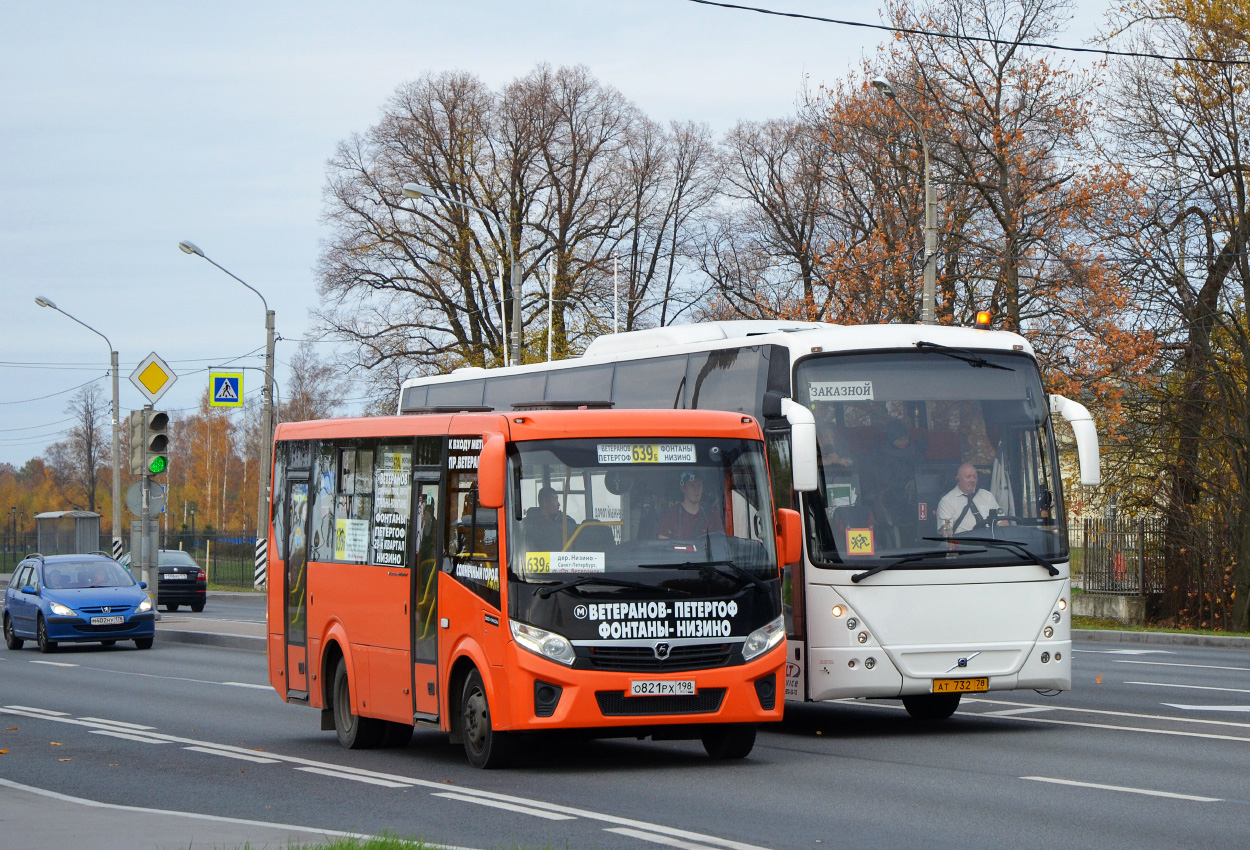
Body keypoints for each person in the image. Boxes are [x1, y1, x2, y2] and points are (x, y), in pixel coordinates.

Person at [937, 463, 1006, 535]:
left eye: (975, 477)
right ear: (958, 479)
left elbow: (1003, 522)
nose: (972, 480)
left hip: (989, 542)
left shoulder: (987, 495)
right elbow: (946, 533)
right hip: (965, 544)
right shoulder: (947, 501)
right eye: (968, 477)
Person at [657, 472, 724, 539]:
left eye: (699, 485)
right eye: (692, 485)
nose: (696, 490)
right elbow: (663, 542)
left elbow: (720, 541)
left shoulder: (712, 514)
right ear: (683, 489)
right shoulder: (671, 515)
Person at [525, 486, 575, 551]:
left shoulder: (567, 522)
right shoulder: (527, 525)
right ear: (545, 503)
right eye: (555, 500)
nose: (559, 504)